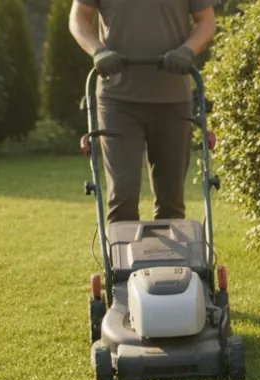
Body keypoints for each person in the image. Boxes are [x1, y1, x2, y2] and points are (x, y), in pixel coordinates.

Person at [69, 0, 216, 225]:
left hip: (173, 100)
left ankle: (169, 259)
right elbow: (78, 18)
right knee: (122, 195)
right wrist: (97, 51)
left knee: (171, 200)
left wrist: (188, 50)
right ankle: (122, 260)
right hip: (118, 100)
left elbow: (206, 21)